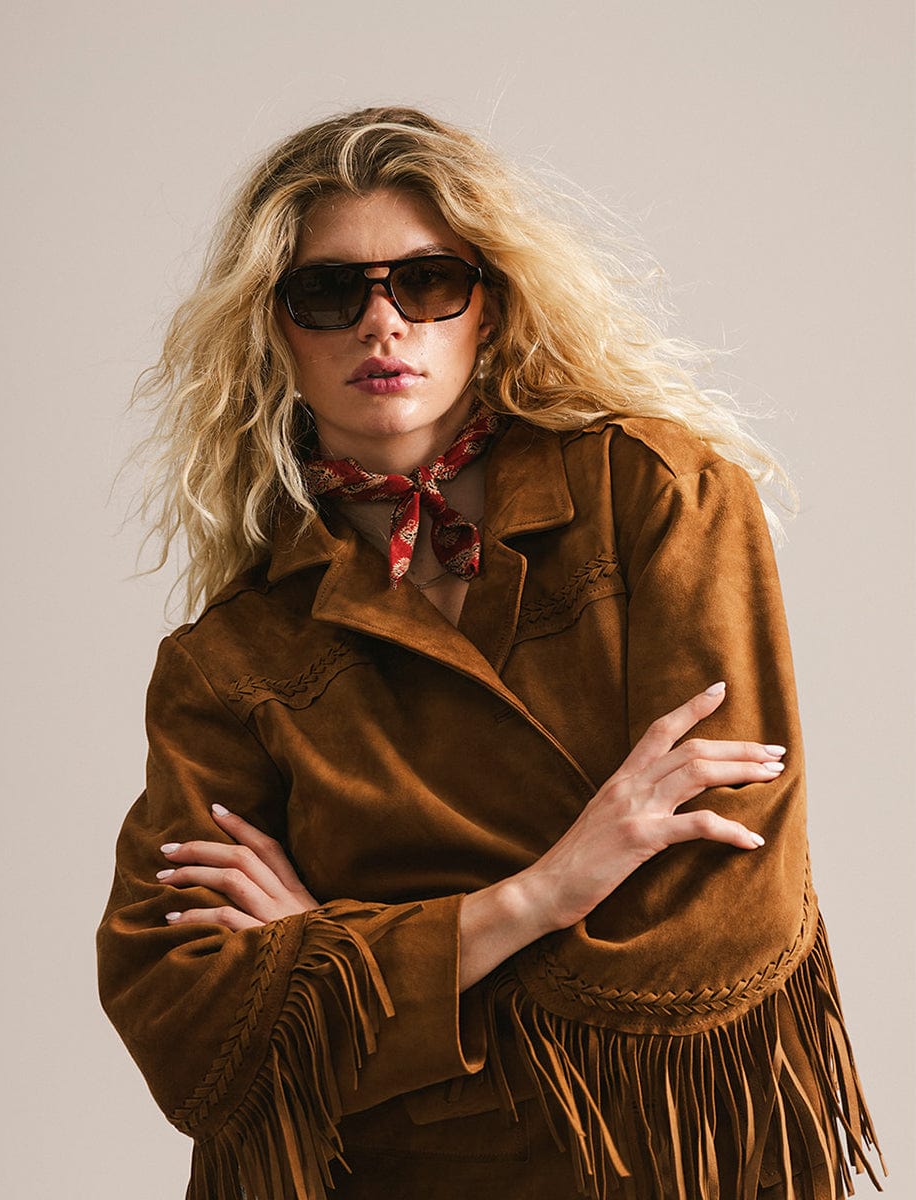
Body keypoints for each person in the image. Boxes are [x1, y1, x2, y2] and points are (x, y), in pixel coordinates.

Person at [97, 107, 883, 1200]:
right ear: (272, 330)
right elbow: (193, 1033)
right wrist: (547, 891)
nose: (383, 325)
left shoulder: (656, 498)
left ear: (489, 307)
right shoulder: (229, 658)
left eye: (426, 283)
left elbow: (717, 942)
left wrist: (342, 973)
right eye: (329, 292)